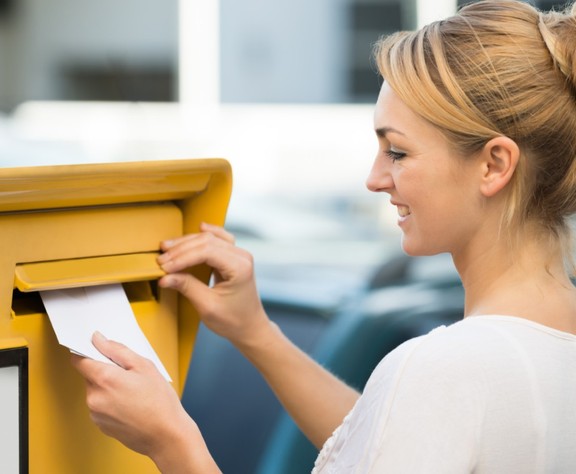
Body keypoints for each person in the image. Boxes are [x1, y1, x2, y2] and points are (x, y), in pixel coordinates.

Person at [72, 0, 576, 472]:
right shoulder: (532, 352)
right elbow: (385, 440)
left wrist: (171, 441)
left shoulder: (444, 369)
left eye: (397, 152)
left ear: (494, 165)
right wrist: (255, 332)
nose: (375, 179)